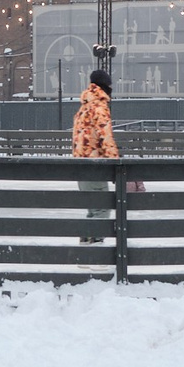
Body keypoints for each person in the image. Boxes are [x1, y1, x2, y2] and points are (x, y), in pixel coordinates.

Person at [72, 69, 120, 243]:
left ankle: (86, 244)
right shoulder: (99, 107)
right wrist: (116, 164)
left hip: (81, 165)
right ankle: (96, 247)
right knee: (101, 208)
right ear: (105, 85)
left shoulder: (83, 107)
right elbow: (105, 137)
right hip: (95, 165)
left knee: (93, 209)